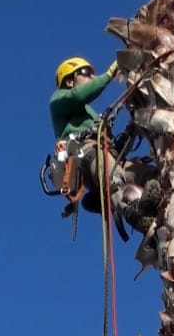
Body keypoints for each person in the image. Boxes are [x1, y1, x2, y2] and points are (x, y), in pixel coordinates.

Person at [46, 55, 159, 239]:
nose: (92, 77)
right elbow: (80, 94)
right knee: (113, 178)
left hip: (108, 155)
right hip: (86, 154)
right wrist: (108, 74)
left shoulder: (89, 114)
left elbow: (115, 147)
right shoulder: (58, 101)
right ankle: (134, 214)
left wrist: (131, 130)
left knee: (143, 173)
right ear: (68, 81)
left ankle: (161, 198)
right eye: (85, 73)